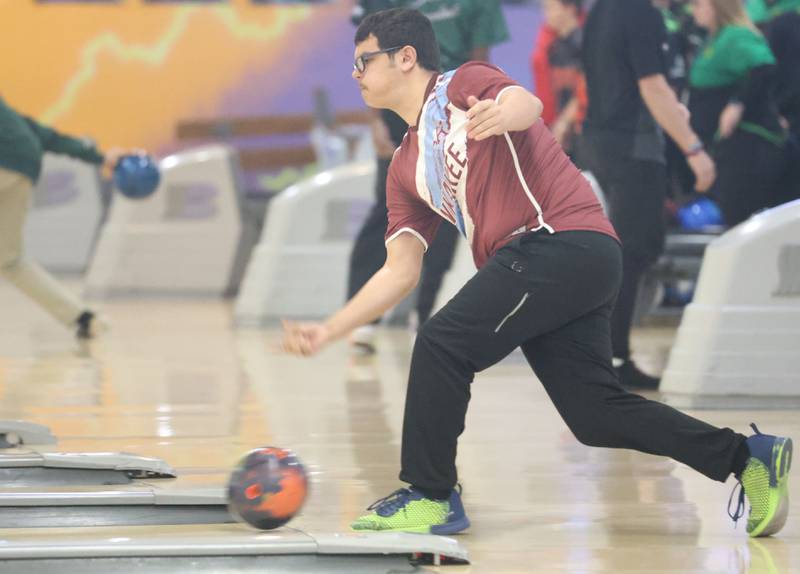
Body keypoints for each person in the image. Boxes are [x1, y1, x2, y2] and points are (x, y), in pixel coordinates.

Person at [281, 8, 792, 539]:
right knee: (595, 414)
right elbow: (400, 271)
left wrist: (506, 114)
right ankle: (748, 457)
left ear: (405, 58)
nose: (356, 74)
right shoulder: (405, 170)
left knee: (441, 343)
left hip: (558, 242)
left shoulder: (462, 85)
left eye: (364, 61)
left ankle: (429, 494)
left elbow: (527, 104)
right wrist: (330, 329)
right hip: (566, 264)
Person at [347, 0, 509, 354]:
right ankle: (363, 319)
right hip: (397, 106)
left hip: (451, 105)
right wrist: (374, 122)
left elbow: (479, 58)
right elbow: (369, 58)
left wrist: (474, 116)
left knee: (448, 211)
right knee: (388, 213)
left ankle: (423, 315)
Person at [580, 0, 716, 389]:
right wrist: (694, 150)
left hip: (603, 143)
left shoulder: (603, 11)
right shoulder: (641, 13)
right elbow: (652, 86)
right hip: (633, 149)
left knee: (625, 252)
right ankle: (612, 359)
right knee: (631, 252)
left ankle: (611, 356)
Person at [0, 95, 125, 338]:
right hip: (24, 164)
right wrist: (100, 157)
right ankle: (84, 319)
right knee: (10, 261)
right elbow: (43, 135)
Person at [689, 0, 786, 226]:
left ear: (718, 7)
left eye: (699, 4)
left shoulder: (736, 35)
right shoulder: (715, 38)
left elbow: (763, 67)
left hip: (749, 141)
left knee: (740, 215)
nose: (694, 9)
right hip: (726, 144)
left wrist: (737, 104)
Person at [530, 0, 588, 154]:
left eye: (550, 8)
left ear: (570, 8)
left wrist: (564, 122)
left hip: (583, 130)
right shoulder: (552, 47)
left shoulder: (586, 43)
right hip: (560, 131)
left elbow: (588, 86)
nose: (545, 14)